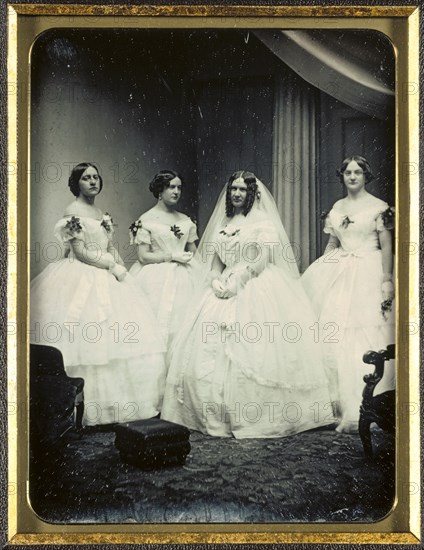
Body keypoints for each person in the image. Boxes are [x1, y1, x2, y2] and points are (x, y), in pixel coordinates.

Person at [161, 171, 332, 438]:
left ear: (252, 193)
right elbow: (216, 261)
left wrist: (237, 281)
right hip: (224, 284)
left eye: (242, 189)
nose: (237, 194)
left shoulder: (263, 223)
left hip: (255, 282)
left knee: (256, 348)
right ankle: (211, 415)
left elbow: (262, 261)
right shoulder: (224, 222)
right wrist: (216, 279)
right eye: (233, 189)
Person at [30, 162, 167, 426]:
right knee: (87, 337)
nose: (93, 182)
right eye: (86, 178)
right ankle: (83, 409)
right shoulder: (73, 211)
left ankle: (119, 408)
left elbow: (109, 246)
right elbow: (80, 252)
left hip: (106, 271)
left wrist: (123, 272)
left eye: (95, 177)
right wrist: (109, 265)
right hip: (82, 272)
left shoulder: (100, 212)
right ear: (76, 184)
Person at [301, 155, 395, 433]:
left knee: (364, 331)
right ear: (342, 176)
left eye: (357, 172)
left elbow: (386, 246)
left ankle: (369, 403)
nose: (352, 177)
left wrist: (387, 279)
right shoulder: (337, 207)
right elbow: (332, 243)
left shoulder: (379, 207)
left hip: (369, 268)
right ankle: (329, 404)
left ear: (366, 176)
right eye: (347, 173)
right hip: (340, 268)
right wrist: (321, 273)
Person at [129, 170, 198, 351]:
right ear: (160, 190)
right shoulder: (146, 219)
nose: (176, 192)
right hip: (155, 278)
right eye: (170, 187)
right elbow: (143, 256)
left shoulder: (185, 220)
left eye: (179, 188)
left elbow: (194, 252)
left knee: (186, 324)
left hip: (187, 276)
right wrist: (171, 256)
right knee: (159, 323)